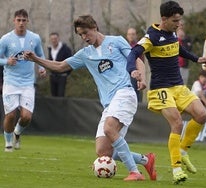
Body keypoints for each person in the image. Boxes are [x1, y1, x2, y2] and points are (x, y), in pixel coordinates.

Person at [24, 14, 156, 181]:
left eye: (86, 32)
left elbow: (137, 60)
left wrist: (142, 78)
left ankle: (135, 172)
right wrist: (36, 59)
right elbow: (60, 66)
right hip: (109, 104)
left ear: (94, 27)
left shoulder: (116, 41)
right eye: (80, 35)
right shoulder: (85, 54)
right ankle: (146, 160)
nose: (84, 37)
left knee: (109, 128)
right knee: (103, 151)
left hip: (125, 93)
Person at [127, 1, 206, 184]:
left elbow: (178, 49)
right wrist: (133, 70)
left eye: (179, 20)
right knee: (177, 124)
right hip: (160, 89)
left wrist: (196, 59)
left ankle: (183, 151)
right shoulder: (151, 37)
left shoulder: (172, 33)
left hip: (178, 87)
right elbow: (133, 53)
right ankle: (177, 169)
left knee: (202, 114)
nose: (178, 24)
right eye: (175, 21)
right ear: (164, 19)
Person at [0, 9, 46, 152]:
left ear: (27, 21)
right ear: (14, 21)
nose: (21, 23)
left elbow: (40, 54)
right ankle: (8, 143)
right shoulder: (6, 39)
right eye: (18, 20)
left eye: (23, 20)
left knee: (26, 117)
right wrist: (6, 61)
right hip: (11, 82)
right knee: (11, 114)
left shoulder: (35, 38)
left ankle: (17, 132)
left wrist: (42, 68)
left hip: (27, 83)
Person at [48, 32, 72, 97]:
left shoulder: (65, 49)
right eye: (52, 39)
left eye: (55, 39)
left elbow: (70, 62)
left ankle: (61, 107)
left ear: (58, 39)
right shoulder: (50, 49)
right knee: (53, 95)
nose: (54, 40)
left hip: (62, 76)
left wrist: (66, 73)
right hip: (52, 76)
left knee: (60, 94)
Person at [126, 27, 143, 102]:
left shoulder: (138, 47)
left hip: (136, 73)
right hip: (126, 73)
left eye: (133, 34)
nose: (131, 36)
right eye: (129, 34)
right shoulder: (124, 46)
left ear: (136, 35)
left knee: (135, 92)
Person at [176, 19, 192, 85]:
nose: (181, 26)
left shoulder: (187, 38)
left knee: (183, 85)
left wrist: (183, 40)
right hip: (175, 66)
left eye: (182, 25)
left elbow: (188, 50)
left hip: (184, 65)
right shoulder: (171, 36)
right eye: (179, 25)